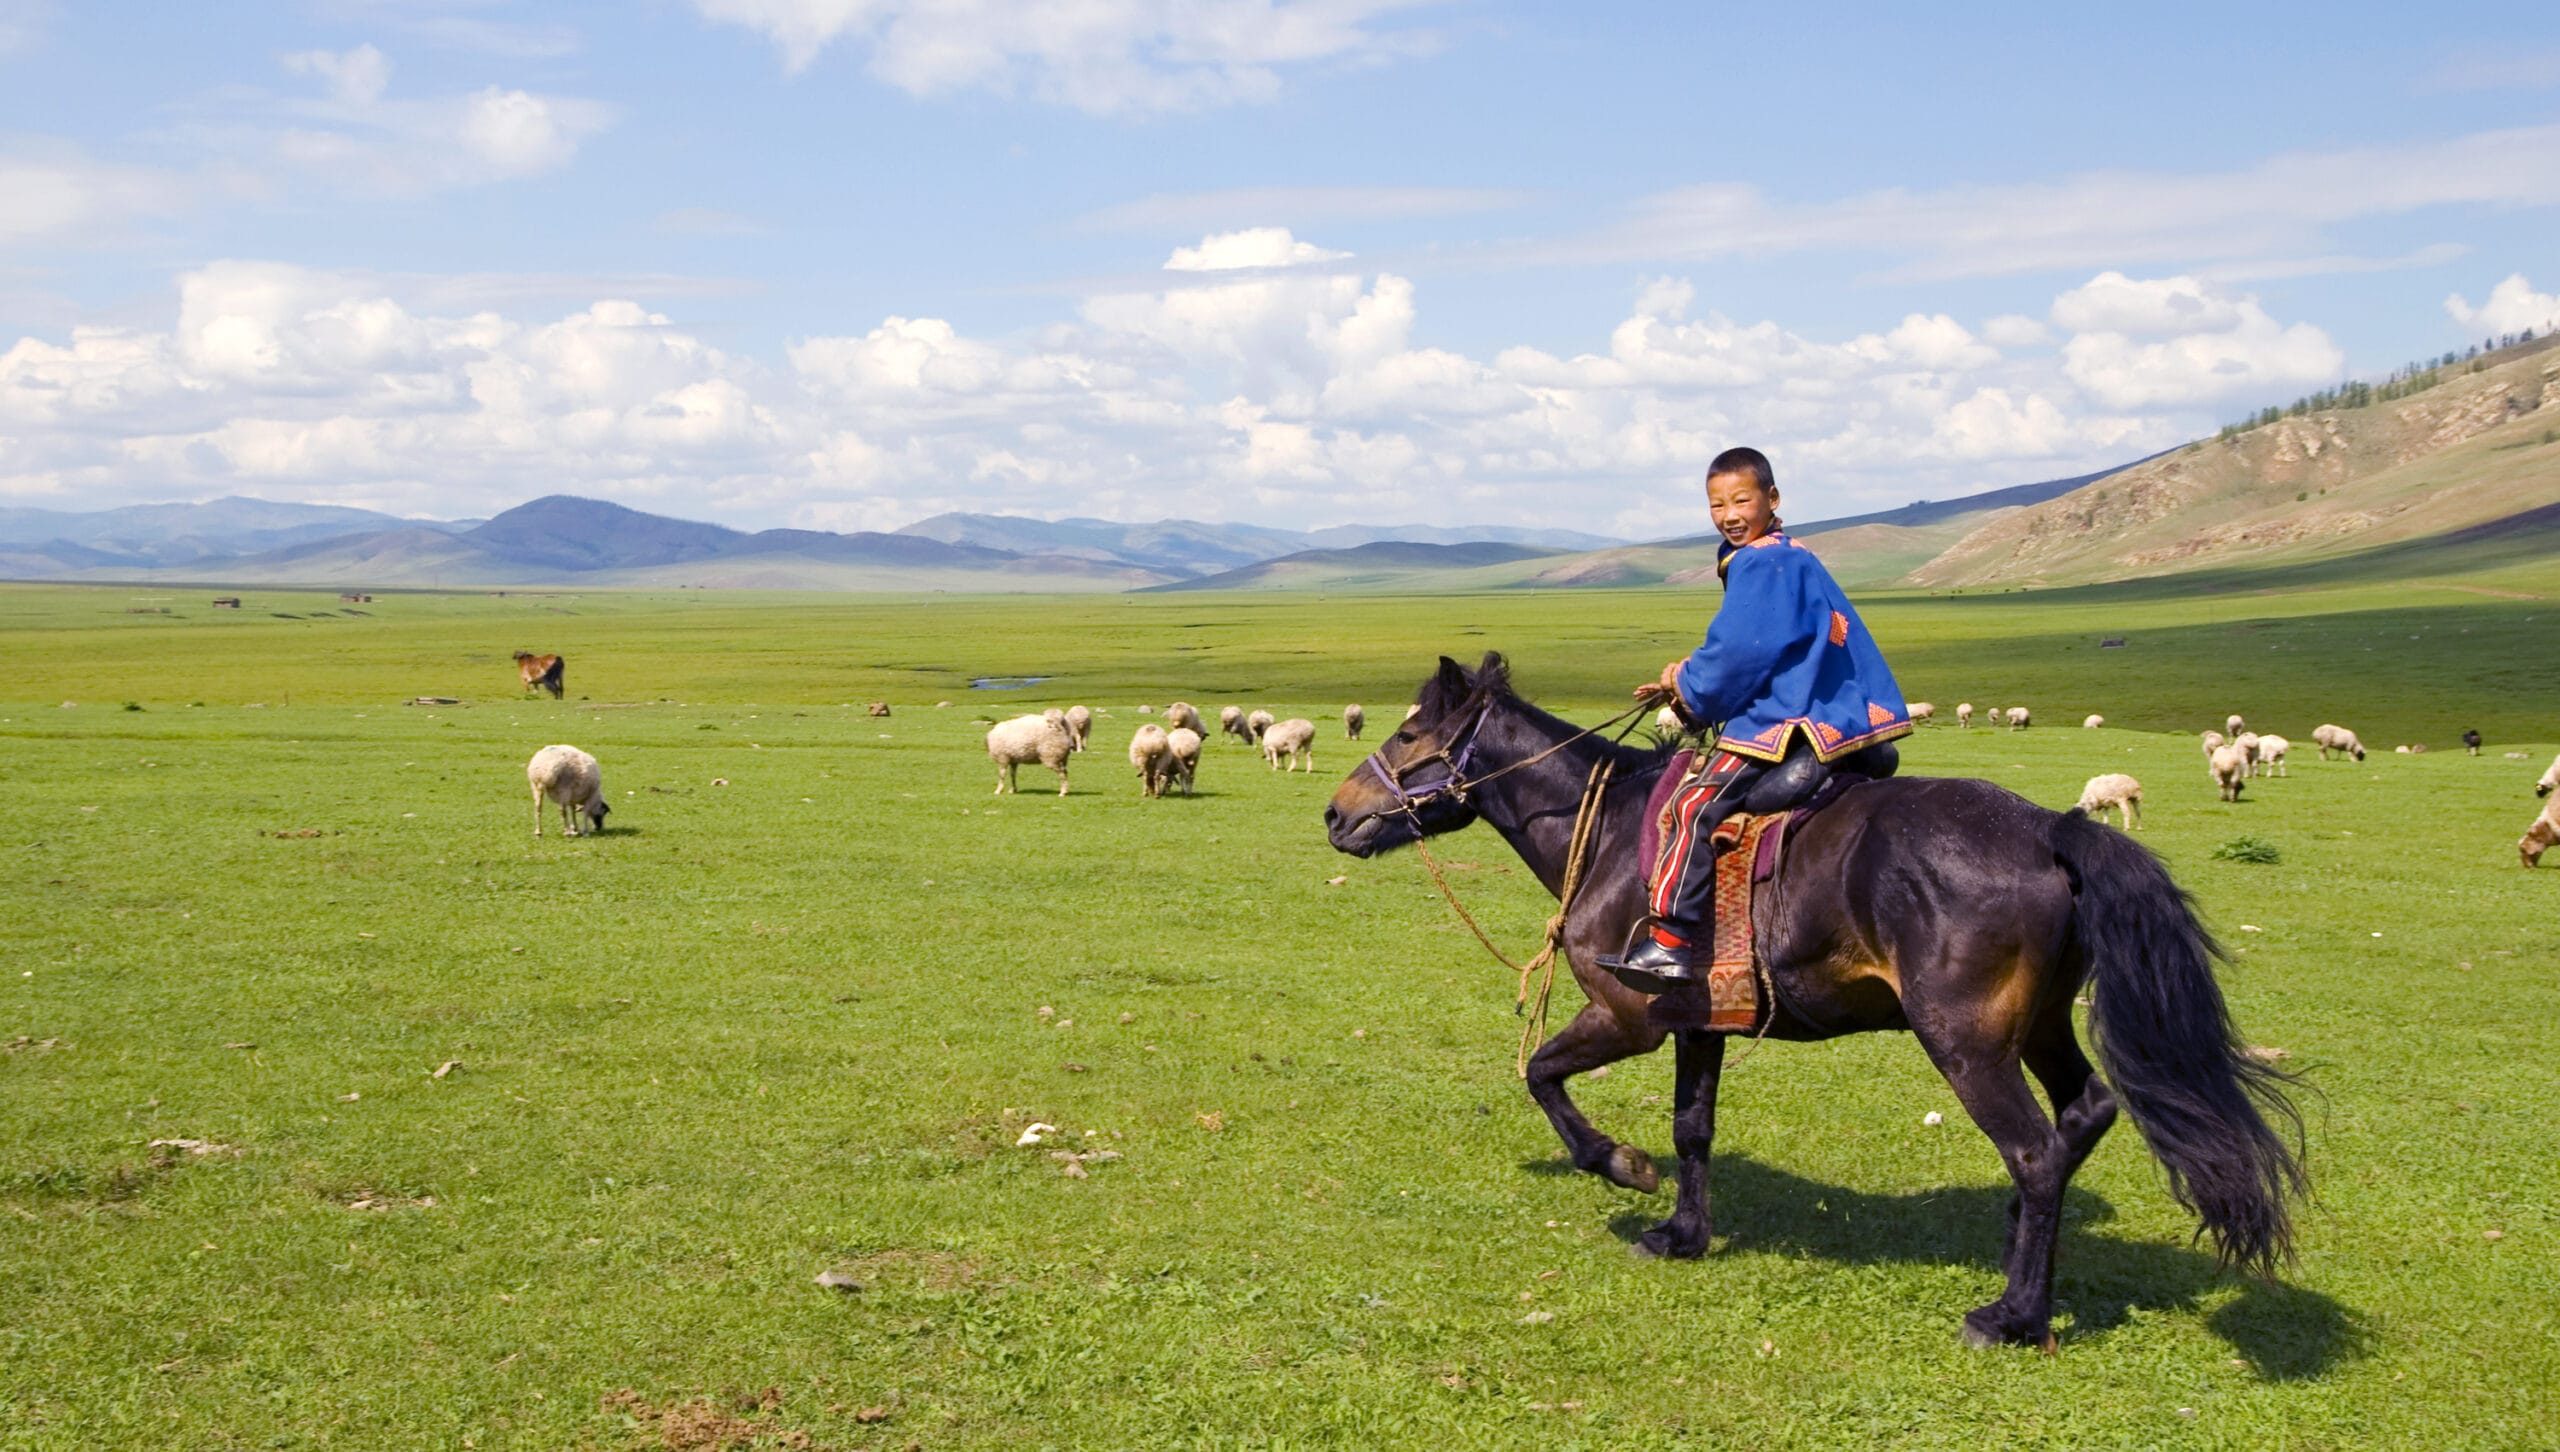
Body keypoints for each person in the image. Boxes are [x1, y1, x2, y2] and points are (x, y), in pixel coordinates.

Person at [1604, 447, 1913, 996]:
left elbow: (1741, 653)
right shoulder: (1788, 555)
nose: (1728, 513)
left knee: (1690, 805)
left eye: (1741, 500)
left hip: (1788, 717)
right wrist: (1685, 678)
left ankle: (1669, 943)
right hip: (1832, 712)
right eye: (1716, 504)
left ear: (1772, 499)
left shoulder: (1761, 560)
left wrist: (1690, 688)